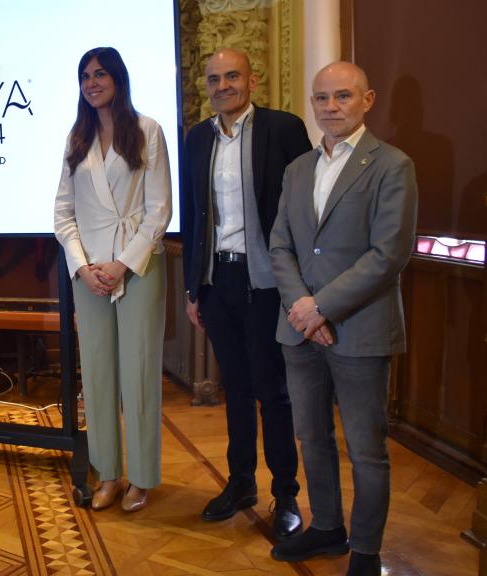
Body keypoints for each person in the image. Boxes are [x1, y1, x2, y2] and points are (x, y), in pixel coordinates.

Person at [268, 61, 417, 576]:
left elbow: (388, 254)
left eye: (343, 97)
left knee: (366, 449)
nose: (330, 107)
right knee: (310, 436)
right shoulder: (297, 169)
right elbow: (280, 244)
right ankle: (327, 527)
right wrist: (303, 309)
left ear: (367, 100)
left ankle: (367, 551)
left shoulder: (392, 165)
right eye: (322, 98)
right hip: (300, 328)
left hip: (361, 328)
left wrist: (321, 306)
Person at [180, 48, 310, 539]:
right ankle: (240, 483)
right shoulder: (196, 139)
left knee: (272, 393)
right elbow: (193, 215)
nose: (222, 86)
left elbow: (304, 208)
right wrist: (194, 289)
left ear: (251, 80)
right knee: (234, 390)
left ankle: (286, 494)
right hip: (218, 283)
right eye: (214, 79)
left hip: (268, 283)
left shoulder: (284, 129)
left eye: (231, 76)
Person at [53, 47, 172, 513]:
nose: (91, 82)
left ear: (118, 79)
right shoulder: (75, 138)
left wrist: (122, 264)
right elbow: (63, 213)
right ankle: (108, 473)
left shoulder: (148, 131)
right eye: (84, 75)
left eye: (100, 74)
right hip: (89, 272)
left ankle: (141, 477)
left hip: (138, 265)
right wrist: (84, 267)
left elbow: (160, 208)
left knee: (139, 373)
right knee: (98, 374)